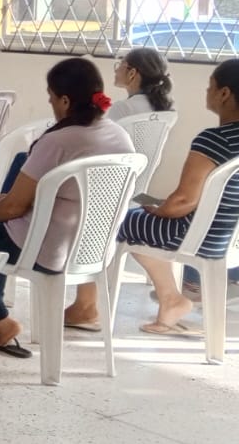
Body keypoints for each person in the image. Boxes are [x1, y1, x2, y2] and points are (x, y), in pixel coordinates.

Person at [62, 59, 239, 335]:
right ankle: (171, 300)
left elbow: (183, 202)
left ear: (225, 93)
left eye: (210, 87)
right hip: (226, 237)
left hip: (194, 234)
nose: (207, 92)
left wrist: (158, 209)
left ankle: (86, 307)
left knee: (108, 219)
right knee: (132, 218)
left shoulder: (213, 140)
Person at [0, 58, 132, 357]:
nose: (50, 103)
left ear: (65, 100)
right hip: (93, 249)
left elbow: (13, 207)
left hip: (47, 250)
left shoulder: (58, 141)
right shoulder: (119, 134)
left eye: (51, 96)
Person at [108, 47, 175, 121]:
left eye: (121, 64)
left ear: (132, 73)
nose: (116, 70)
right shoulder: (163, 108)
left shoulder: (122, 108)